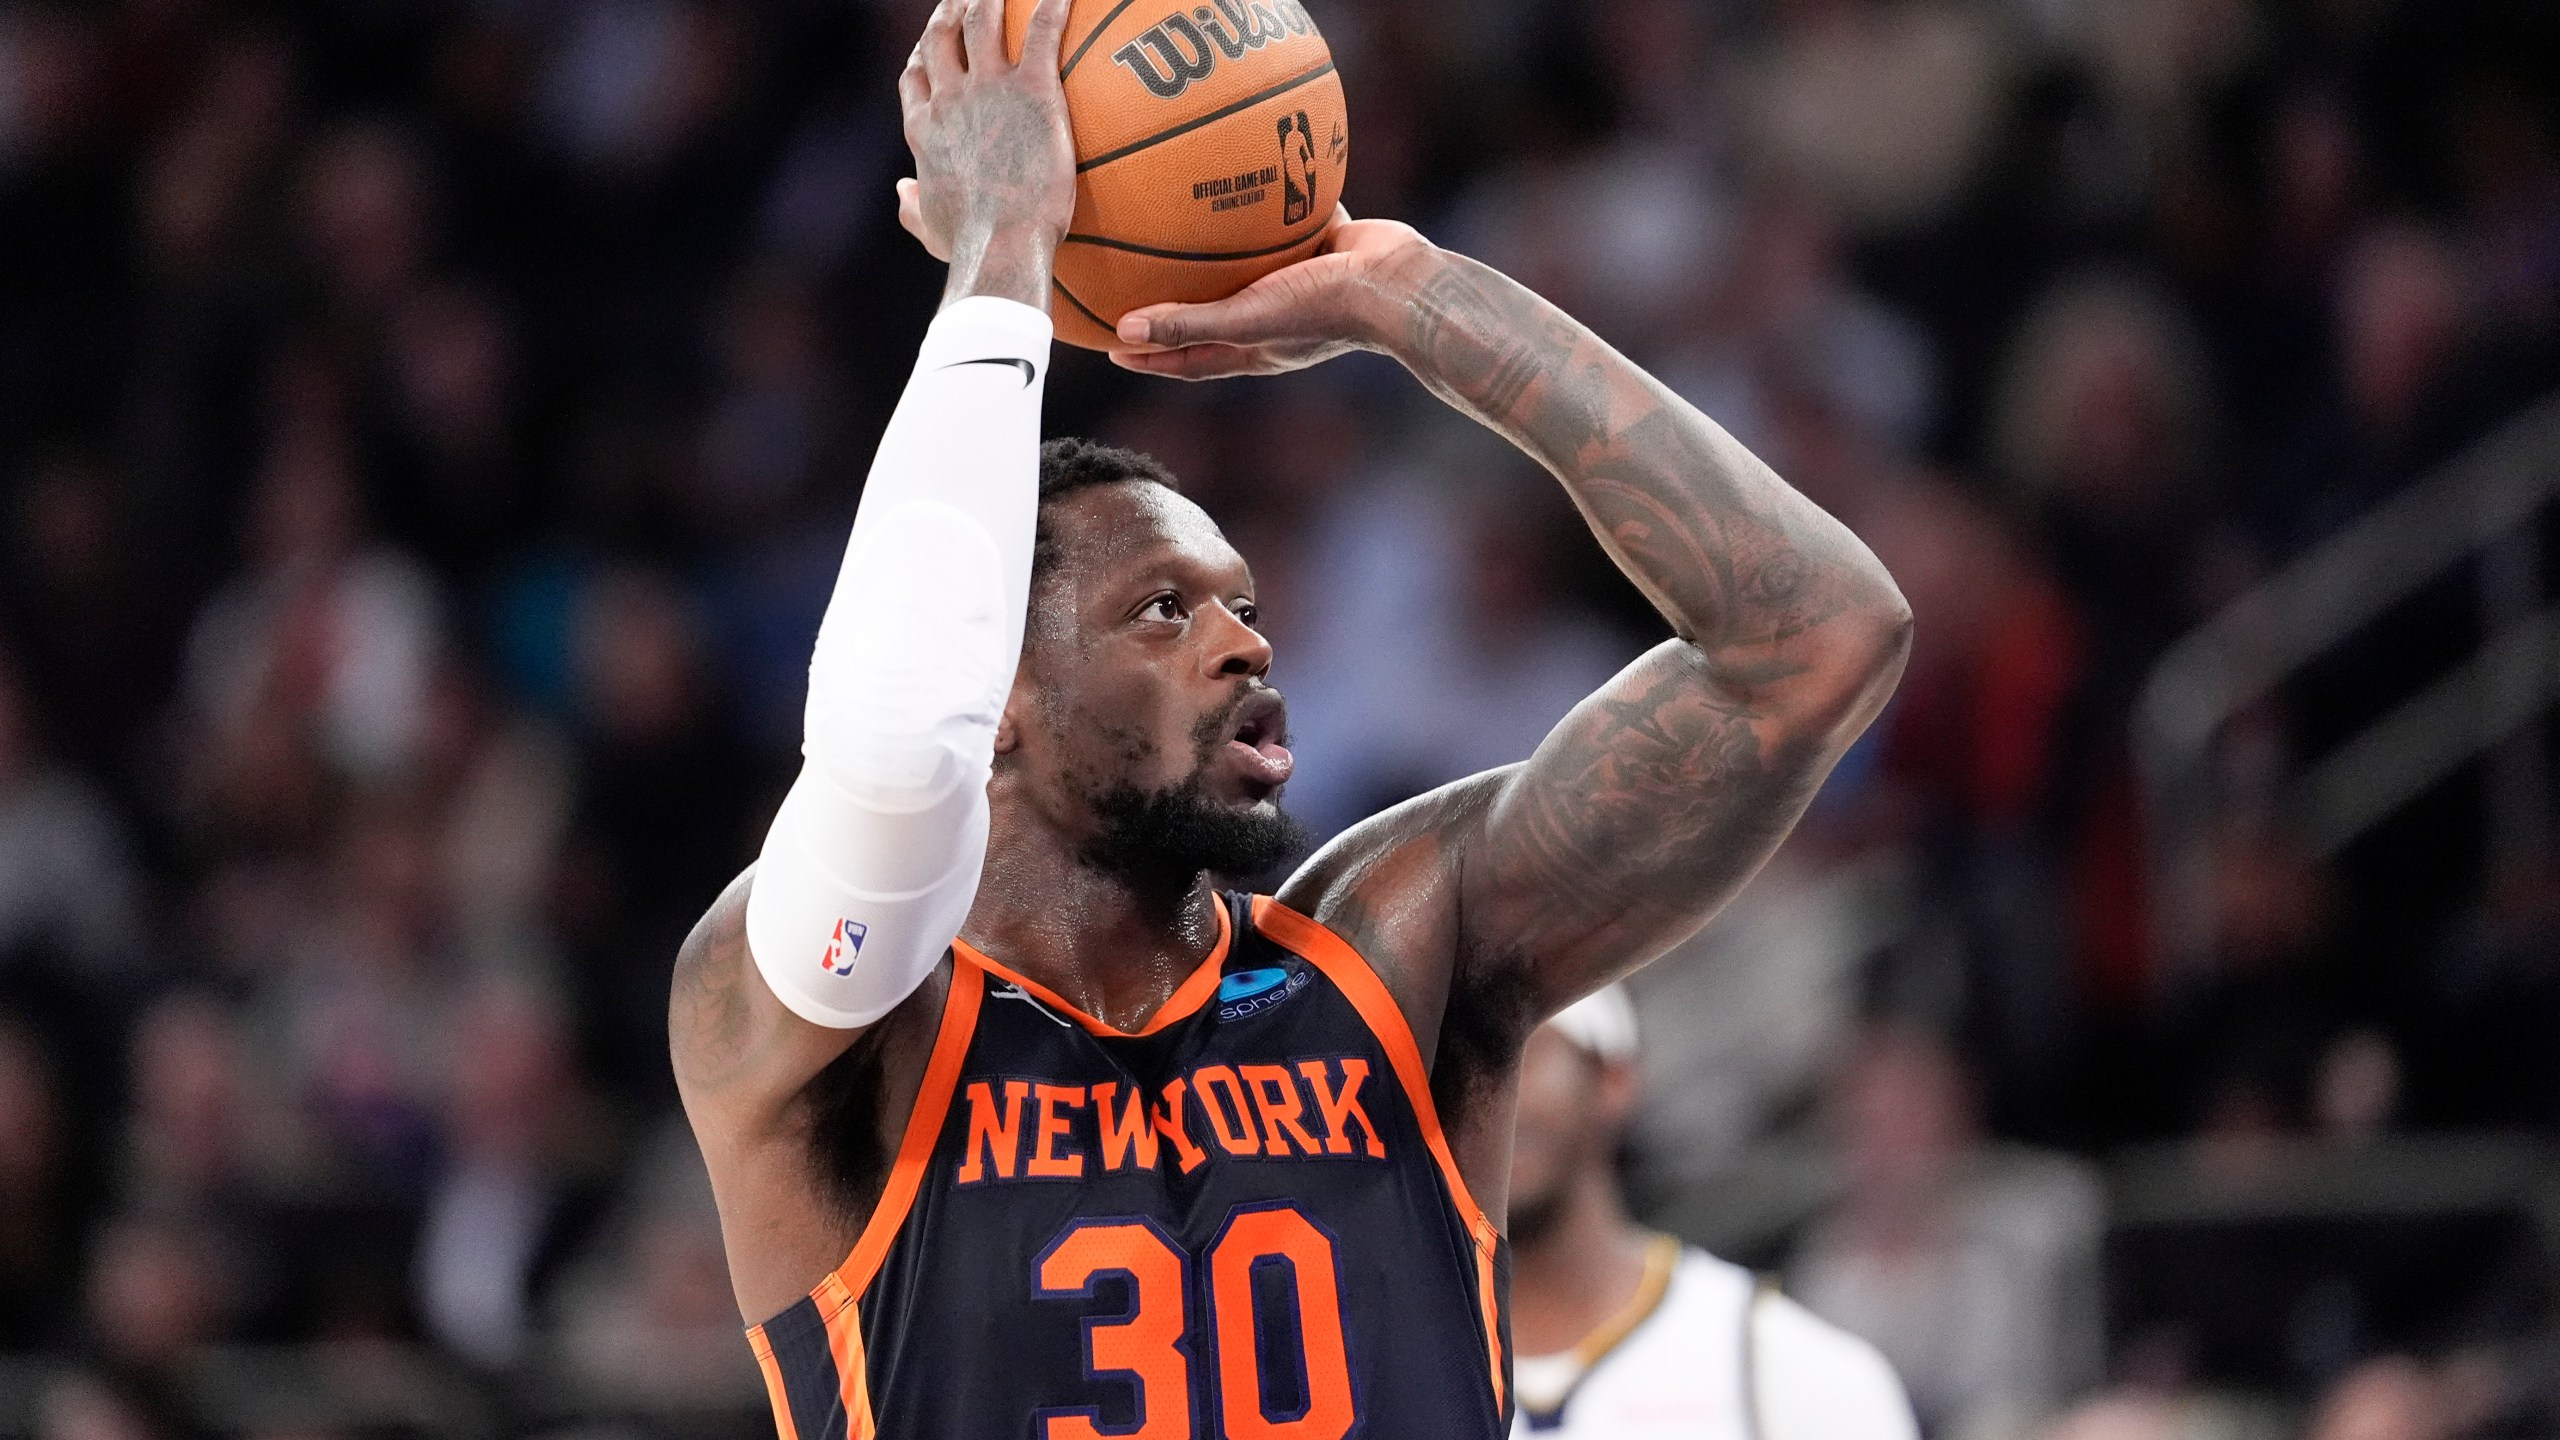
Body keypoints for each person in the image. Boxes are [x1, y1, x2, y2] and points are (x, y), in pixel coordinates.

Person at [668, 0, 1910, 1435]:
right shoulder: (841, 1023)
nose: (1244, 642)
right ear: (994, 695)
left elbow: (1815, 635)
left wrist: (1418, 304)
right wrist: (1007, 245)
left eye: (1246, 602)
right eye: (1163, 610)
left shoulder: (1395, 948)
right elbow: (886, 752)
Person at [1507, 986, 1918, 1437]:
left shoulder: (1789, 1369)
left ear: (1614, 1080)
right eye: (1453, 1071)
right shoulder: (1419, 1360)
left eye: (1521, 1053)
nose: (1488, 1098)